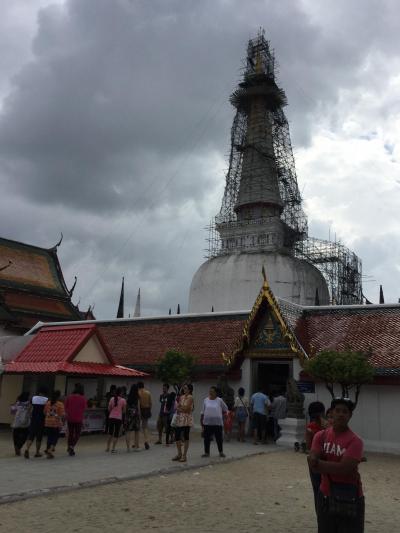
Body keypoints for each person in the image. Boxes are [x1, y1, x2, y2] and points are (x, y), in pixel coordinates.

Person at [308, 398, 365, 533]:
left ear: (350, 415)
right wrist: (316, 462)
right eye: (337, 410)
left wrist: (318, 463)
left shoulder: (355, 441)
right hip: (326, 494)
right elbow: (312, 460)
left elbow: (344, 469)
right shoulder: (320, 436)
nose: (341, 414)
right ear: (331, 413)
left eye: (345, 412)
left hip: (350, 496)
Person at [305, 401, 326, 513]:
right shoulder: (330, 426)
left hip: (314, 460)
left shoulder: (310, 427)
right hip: (328, 459)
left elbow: (308, 446)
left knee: (317, 488)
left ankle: (320, 513)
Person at [201, 386, 228, 458]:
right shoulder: (205, 400)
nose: (211, 392)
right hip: (207, 423)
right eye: (210, 391)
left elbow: (225, 409)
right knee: (206, 438)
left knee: (219, 438)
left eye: (212, 391)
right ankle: (206, 452)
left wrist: (225, 416)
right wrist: (202, 422)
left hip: (217, 423)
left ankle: (221, 452)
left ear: (216, 393)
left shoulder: (219, 400)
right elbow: (203, 411)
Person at [24, 386, 48, 459]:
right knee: (39, 437)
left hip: (34, 419)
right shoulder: (46, 400)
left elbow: (29, 408)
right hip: (41, 420)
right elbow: (46, 411)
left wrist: (29, 415)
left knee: (31, 435)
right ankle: (37, 452)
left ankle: (27, 449)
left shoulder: (33, 398)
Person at [172, 383, 193, 463]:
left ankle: (184, 455)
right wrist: (180, 408)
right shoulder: (182, 397)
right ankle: (179, 453)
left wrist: (180, 407)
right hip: (180, 418)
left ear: (189, 390)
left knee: (186, 436)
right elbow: (178, 407)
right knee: (177, 435)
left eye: (186, 388)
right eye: (184, 388)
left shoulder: (190, 397)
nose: (184, 390)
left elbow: (186, 408)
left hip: (186, 419)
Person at [64, 383, 87, 456]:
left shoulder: (69, 397)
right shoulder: (83, 398)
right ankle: (71, 446)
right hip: (78, 419)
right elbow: (84, 409)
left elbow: (65, 407)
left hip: (70, 418)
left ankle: (69, 446)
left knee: (70, 433)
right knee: (77, 434)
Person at [44, 390, 65, 459]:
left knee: (49, 437)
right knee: (55, 437)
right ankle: (50, 450)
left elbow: (44, 412)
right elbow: (62, 414)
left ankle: (47, 449)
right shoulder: (60, 404)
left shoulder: (48, 403)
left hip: (47, 422)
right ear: (58, 396)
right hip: (56, 423)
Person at [10, 392, 31, 456]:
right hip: (25, 422)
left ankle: (16, 447)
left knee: (15, 435)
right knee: (25, 436)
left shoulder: (18, 402)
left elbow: (12, 411)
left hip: (17, 421)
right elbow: (30, 411)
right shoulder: (29, 403)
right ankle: (19, 446)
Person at [106, 387, 126, 453]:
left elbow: (109, 409)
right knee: (116, 433)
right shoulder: (123, 400)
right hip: (118, 418)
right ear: (121, 393)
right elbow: (124, 411)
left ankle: (107, 447)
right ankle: (113, 448)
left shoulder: (112, 399)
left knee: (110, 432)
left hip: (111, 417)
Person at [125, 384, 141, 452]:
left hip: (129, 415)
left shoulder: (128, 397)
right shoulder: (137, 397)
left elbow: (126, 407)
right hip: (136, 416)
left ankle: (128, 448)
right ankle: (136, 447)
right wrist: (139, 416)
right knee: (136, 431)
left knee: (128, 431)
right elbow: (139, 408)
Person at [138, 381, 152, 450]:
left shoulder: (138, 393)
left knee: (137, 426)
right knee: (145, 427)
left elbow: (138, 403)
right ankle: (146, 441)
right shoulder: (148, 392)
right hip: (147, 409)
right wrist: (149, 410)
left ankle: (136, 443)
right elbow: (151, 403)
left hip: (140, 409)